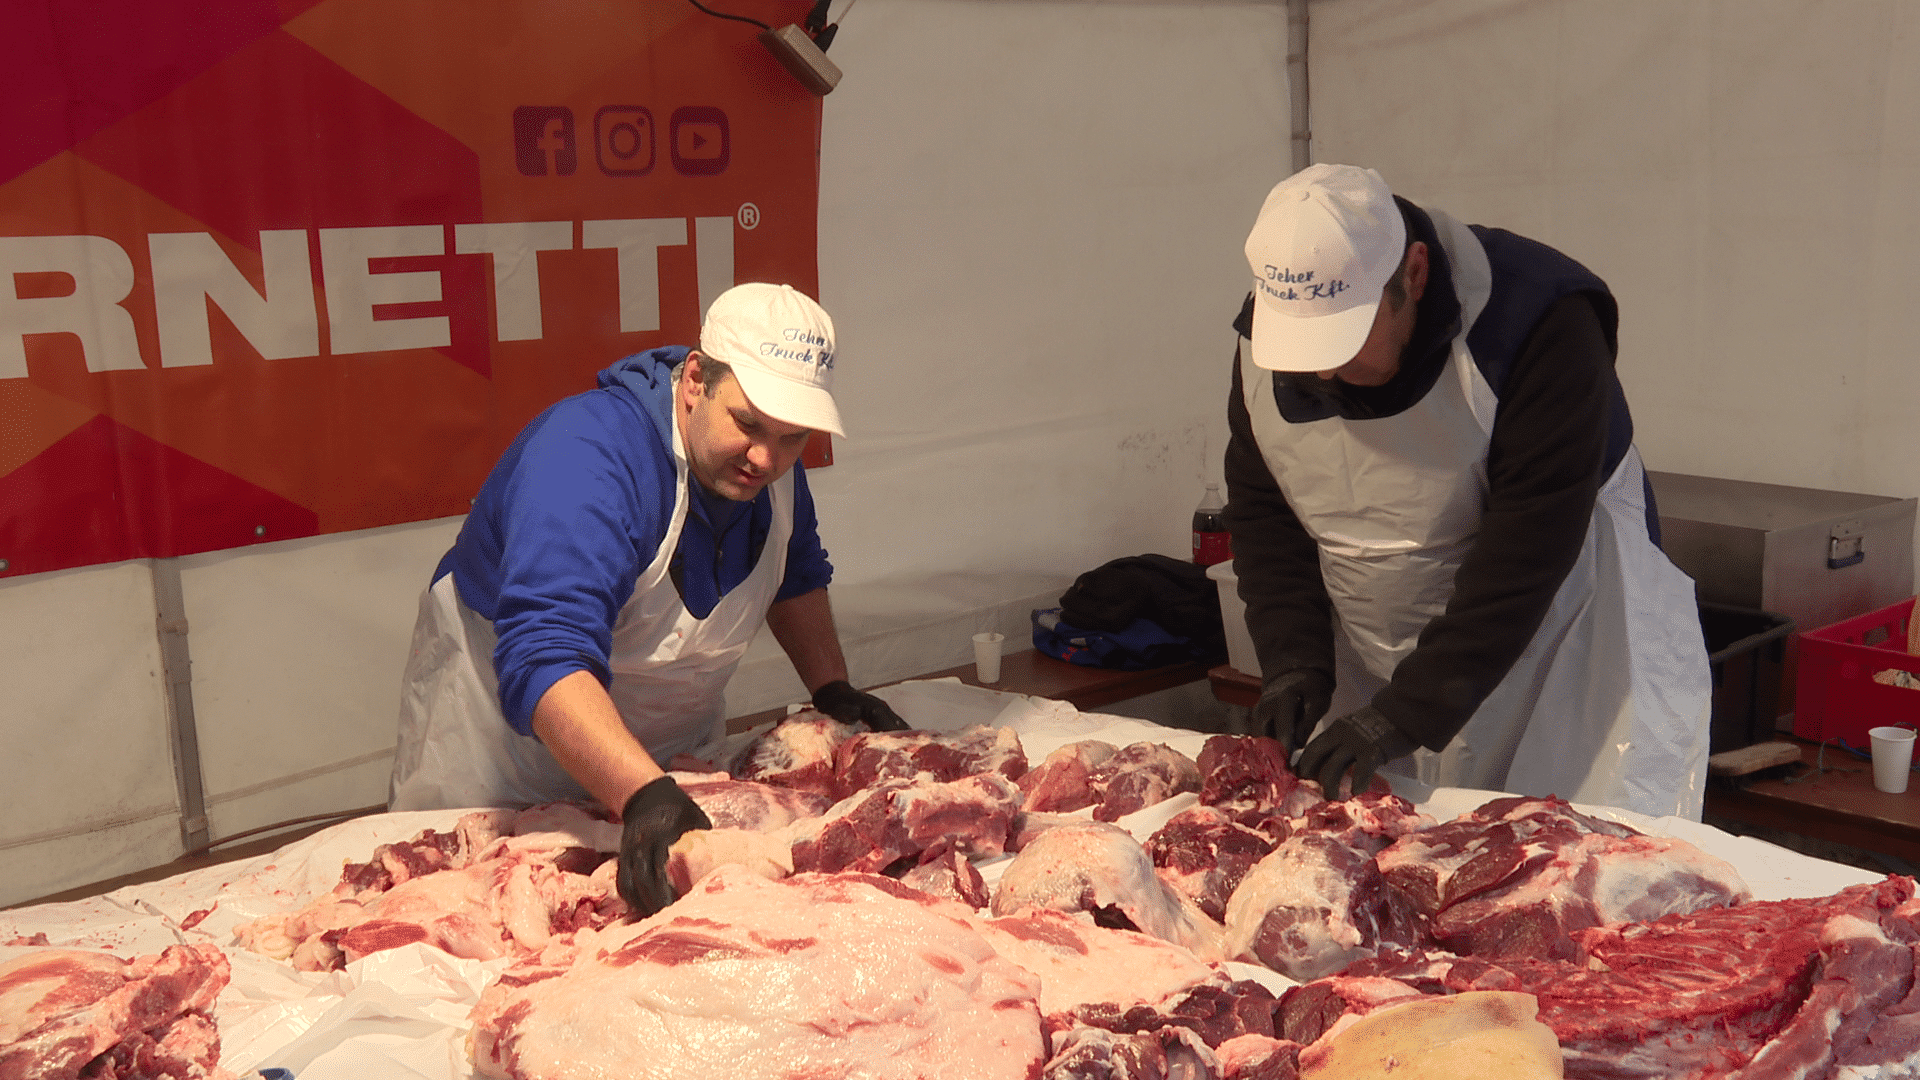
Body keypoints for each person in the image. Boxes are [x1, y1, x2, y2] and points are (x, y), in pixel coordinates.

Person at [388, 282, 906, 915]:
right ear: (695, 380)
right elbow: (545, 654)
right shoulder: (585, 456)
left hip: (668, 774)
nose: (767, 457)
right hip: (502, 772)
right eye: (747, 424)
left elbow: (792, 572)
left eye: (793, 437)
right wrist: (639, 794)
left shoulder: (765, 463)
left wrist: (831, 686)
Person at [1223, 163, 1711, 820]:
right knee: (1386, 851)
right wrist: (1292, 661)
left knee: (1568, 848)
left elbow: (1528, 550)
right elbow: (1267, 513)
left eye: (1346, 339)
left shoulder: (1539, 321)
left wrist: (1407, 711)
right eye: (1305, 348)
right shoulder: (1273, 332)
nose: (1325, 372)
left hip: (1565, 647)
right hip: (1379, 647)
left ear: (1415, 274)